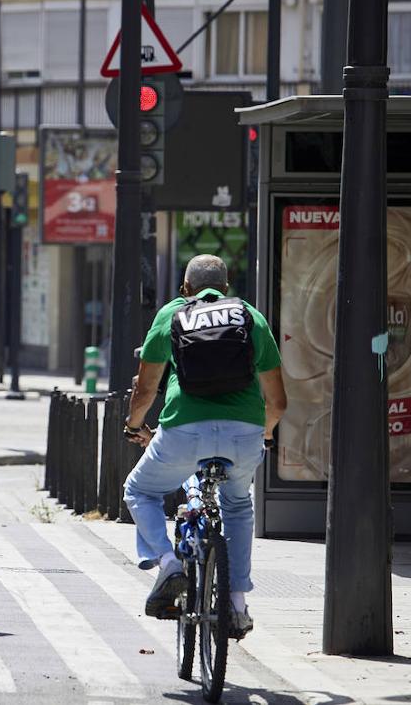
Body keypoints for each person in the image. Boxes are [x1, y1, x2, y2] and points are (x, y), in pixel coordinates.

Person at [121, 255, 287, 638]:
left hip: (185, 430)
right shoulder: (250, 317)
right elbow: (278, 403)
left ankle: (168, 563)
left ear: (185, 289)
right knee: (238, 506)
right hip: (244, 433)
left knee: (140, 489)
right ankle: (237, 605)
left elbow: (145, 390)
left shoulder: (172, 315)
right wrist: (263, 434)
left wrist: (133, 426)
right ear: (225, 288)